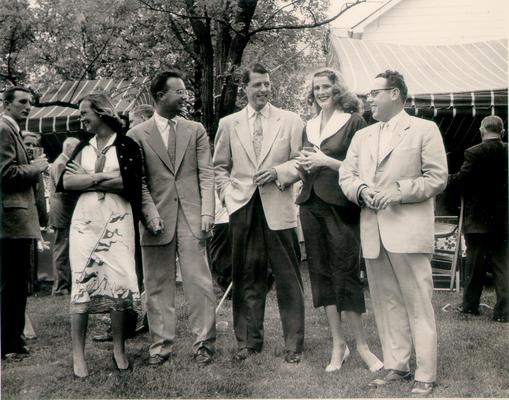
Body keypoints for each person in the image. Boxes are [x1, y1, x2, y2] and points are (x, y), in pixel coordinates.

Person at [339, 70, 448, 396]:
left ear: (396, 94)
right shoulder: (363, 136)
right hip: (374, 231)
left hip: (408, 230)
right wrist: (360, 191)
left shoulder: (424, 129)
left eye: (375, 92)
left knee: (417, 303)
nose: (368, 99)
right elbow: (346, 174)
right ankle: (397, 365)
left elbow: (437, 178)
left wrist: (398, 192)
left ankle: (425, 374)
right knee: (387, 303)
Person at [213, 63, 305, 363]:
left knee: (288, 277)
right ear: (245, 88)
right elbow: (219, 167)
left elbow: (301, 161)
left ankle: (293, 344)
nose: (264, 89)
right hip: (242, 207)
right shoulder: (229, 123)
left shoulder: (290, 120)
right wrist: (227, 195)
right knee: (246, 276)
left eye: (267, 84)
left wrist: (279, 171)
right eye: (257, 85)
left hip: (278, 205)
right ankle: (249, 341)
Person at [295, 68, 383, 372]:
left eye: (327, 87)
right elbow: (305, 164)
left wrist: (326, 161)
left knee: (345, 271)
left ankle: (363, 346)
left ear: (337, 90)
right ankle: (338, 345)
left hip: (341, 206)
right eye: (316, 87)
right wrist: (304, 164)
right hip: (310, 204)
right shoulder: (308, 125)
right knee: (320, 274)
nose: (321, 92)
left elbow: (363, 168)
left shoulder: (355, 122)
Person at [127, 70, 216, 366]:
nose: (185, 96)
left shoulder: (196, 130)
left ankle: (204, 343)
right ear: (160, 96)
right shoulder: (136, 135)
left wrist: (207, 213)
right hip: (155, 222)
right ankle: (160, 346)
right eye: (179, 92)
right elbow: (137, 182)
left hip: (192, 218)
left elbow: (206, 173)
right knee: (156, 285)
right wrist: (150, 216)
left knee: (199, 283)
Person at [59, 93, 143, 377]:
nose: (82, 118)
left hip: (118, 220)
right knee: (83, 282)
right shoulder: (82, 147)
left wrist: (89, 179)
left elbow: (130, 183)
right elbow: (67, 181)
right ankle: (78, 355)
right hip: (85, 222)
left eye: (86, 113)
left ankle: (119, 349)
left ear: (102, 112)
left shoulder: (127, 145)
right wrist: (101, 178)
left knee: (119, 280)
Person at [92, 104, 154, 343]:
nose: (132, 128)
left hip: (133, 214)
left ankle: (129, 323)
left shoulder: (129, 144)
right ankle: (141, 320)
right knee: (136, 272)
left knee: (130, 272)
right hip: (134, 213)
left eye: (137, 122)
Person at [1, 86, 49, 358]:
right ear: (6, 104)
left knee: (16, 284)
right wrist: (37, 167)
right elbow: (5, 174)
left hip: (17, 218)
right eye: (22, 102)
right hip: (11, 219)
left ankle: (12, 340)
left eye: (30, 102)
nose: (28, 107)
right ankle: (9, 345)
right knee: (13, 285)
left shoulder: (12, 131)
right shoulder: (4, 130)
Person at [447, 115, 508, 322]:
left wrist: (444, 179)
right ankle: (504, 312)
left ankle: (470, 306)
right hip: (503, 219)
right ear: (503, 132)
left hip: (478, 219)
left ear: (482, 131)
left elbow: (462, 180)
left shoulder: (473, 152)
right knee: (503, 265)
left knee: (475, 265)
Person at [48, 137, 80, 296]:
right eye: (76, 149)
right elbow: (65, 187)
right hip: (63, 212)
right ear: (69, 148)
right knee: (62, 249)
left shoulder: (61, 161)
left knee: (63, 248)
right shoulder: (61, 163)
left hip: (62, 211)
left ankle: (63, 285)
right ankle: (60, 288)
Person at [21, 131, 48, 293]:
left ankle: (30, 285)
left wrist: (43, 218)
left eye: (34, 145)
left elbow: (40, 196)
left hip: (32, 217)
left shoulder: (37, 167)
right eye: (27, 144)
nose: (31, 148)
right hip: (19, 217)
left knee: (30, 254)